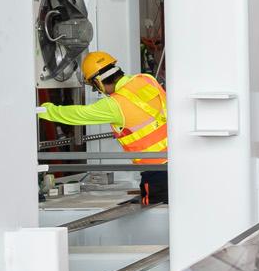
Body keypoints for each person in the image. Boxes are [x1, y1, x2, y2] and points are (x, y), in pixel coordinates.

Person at [41, 48, 168, 204]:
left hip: (157, 173)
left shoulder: (114, 104)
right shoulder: (146, 79)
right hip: (181, 160)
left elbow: (77, 114)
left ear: (98, 82)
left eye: (95, 87)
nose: (99, 91)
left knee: (158, 218)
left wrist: (44, 109)